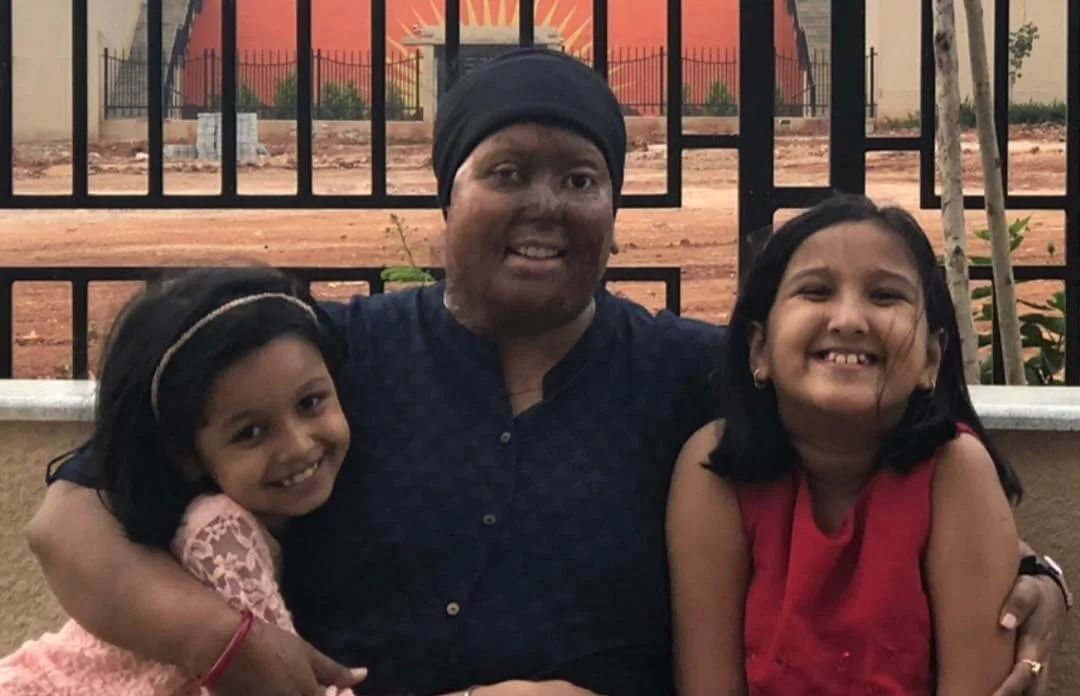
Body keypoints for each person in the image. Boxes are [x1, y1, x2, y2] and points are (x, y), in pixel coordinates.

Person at [24, 48, 1070, 696]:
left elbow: (879, 461)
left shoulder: (689, 374)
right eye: (506, 173)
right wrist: (230, 643)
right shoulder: (333, 365)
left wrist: (1034, 577)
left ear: (614, 211)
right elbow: (69, 516)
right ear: (447, 193)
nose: (545, 205)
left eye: (580, 178)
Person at [666, 195, 1046, 695]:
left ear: (931, 360)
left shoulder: (955, 472)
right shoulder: (713, 472)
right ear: (759, 349)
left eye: (885, 296)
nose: (849, 320)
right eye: (816, 291)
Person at [2, 267, 365, 694]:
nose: (298, 445)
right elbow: (282, 683)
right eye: (250, 432)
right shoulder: (219, 533)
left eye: (310, 402)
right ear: (186, 456)